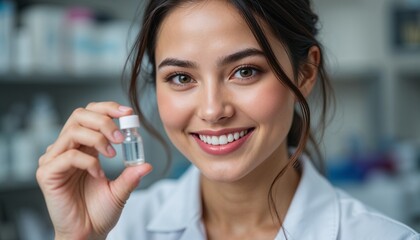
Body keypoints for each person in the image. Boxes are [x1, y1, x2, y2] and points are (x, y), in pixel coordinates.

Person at [36, 0, 419, 239]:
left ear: (304, 73)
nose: (212, 109)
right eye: (182, 78)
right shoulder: (122, 229)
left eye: (245, 71)